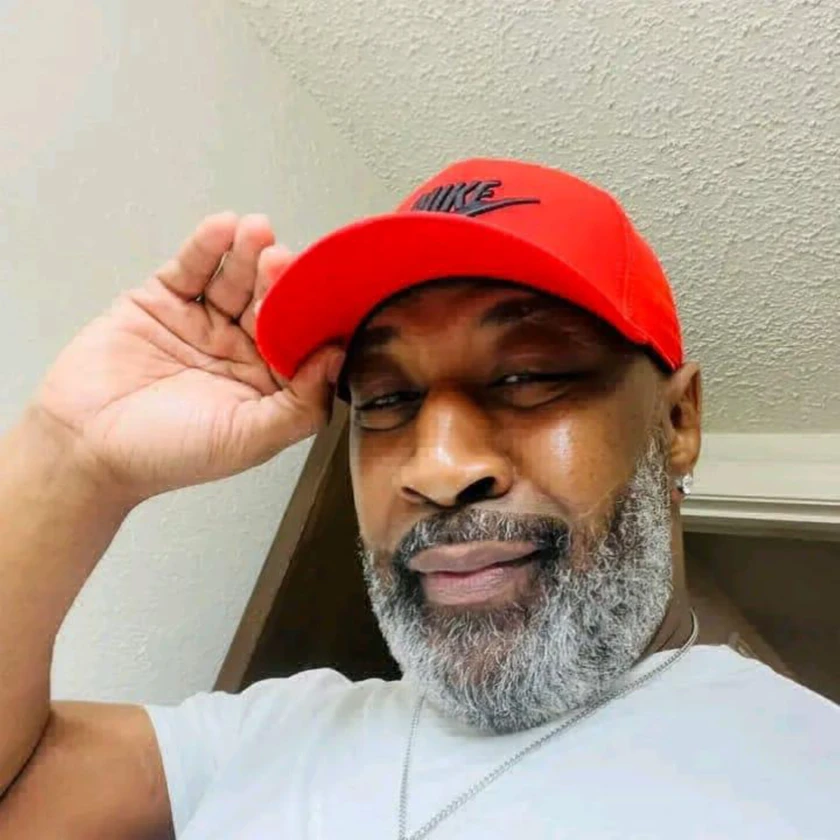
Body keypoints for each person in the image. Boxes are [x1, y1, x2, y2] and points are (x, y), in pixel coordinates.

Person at [0, 159, 836, 840]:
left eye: (527, 376)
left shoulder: (807, 776)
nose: (436, 468)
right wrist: (71, 458)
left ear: (678, 422)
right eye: (388, 398)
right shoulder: (274, 732)